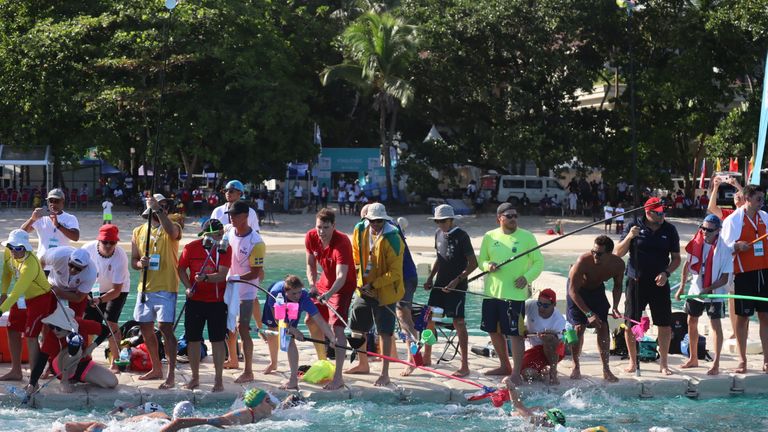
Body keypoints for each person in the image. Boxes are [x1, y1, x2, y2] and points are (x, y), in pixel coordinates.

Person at [478, 203, 543, 383]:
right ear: (500, 218)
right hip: (492, 293)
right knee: (492, 330)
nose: (513, 219)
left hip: (514, 295)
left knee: (515, 333)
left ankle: (516, 372)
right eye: (509, 216)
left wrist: (526, 277)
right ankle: (504, 365)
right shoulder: (489, 236)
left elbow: (538, 262)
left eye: (515, 216)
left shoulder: (527, 237)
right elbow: (481, 260)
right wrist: (487, 266)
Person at [615, 197, 680, 375]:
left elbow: (676, 259)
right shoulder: (633, 225)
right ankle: (632, 361)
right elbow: (618, 253)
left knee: (664, 324)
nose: (662, 215)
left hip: (660, 282)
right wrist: (629, 237)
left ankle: (664, 363)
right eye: (658, 212)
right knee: (630, 323)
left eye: (663, 212)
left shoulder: (670, 229)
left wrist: (667, 273)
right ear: (648, 212)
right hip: (636, 282)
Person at [346, 203, 404, 386]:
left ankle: (385, 373)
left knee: (384, 332)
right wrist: (358, 280)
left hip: (385, 292)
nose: (376, 224)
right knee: (356, 327)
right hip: (363, 289)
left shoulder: (394, 239)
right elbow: (355, 255)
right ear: (367, 219)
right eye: (372, 221)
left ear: (384, 220)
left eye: (379, 221)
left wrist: (374, 284)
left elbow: (395, 273)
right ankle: (363, 364)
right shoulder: (360, 229)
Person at [131, 193, 182, 388]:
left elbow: (172, 232)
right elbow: (133, 261)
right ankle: (156, 367)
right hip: (145, 288)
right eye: (160, 206)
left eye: (165, 206)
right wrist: (139, 263)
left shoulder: (173, 227)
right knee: (145, 328)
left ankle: (171, 374)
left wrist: (158, 209)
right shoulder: (138, 231)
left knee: (165, 329)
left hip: (167, 287)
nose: (164, 209)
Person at [304, 208, 356, 390]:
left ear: (334, 226)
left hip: (342, 287)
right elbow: (310, 264)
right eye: (319, 227)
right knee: (310, 320)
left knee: (337, 329)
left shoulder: (342, 242)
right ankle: (323, 362)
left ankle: (338, 377)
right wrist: (312, 285)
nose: (321, 232)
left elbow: (342, 276)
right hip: (323, 283)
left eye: (326, 228)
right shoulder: (311, 237)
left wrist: (328, 294)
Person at [423, 204, 478, 377]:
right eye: (437, 221)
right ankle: (427, 356)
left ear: (451, 219)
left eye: (443, 221)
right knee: (429, 318)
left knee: (458, 322)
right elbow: (439, 258)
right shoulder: (438, 234)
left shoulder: (462, 236)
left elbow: (473, 263)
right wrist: (430, 277)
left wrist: (457, 280)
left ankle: (465, 365)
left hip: (457, 286)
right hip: (440, 285)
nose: (440, 224)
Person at [178, 218, 232, 392]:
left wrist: (206, 278)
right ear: (206, 235)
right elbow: (180, 269)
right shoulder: (190, 247)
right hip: (195, 300)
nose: (221, 237)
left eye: (222, 233)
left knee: (217, 340)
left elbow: (223, 275)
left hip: (217, 302)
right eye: (217, 235)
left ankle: (218, 379)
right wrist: (187, 287)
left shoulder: (225, 248)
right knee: (193, 340)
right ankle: (194, 378)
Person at [720, 184, 768, 373]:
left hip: (764, 272)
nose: (761, 203)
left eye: (763, 199)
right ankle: (742, 359)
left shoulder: (765, 218)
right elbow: (723, 247)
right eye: (758, 199)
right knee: (743, 317)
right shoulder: (733, 220)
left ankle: (766, 359)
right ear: (747, 200)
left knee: (765, 316)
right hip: (744, 273)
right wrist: (737, 246)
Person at [674, 214, 730, 375]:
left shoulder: (724, 249)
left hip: (715, 293)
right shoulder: (697, 242)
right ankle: (693, 358)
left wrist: (709, 289)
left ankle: (716, 363)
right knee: (691, 321)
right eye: (703, 228)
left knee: (715, 324)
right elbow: (686, 265)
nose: (705, 232)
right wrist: (681, 288)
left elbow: (725, 278)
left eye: (709, 230)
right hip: (696, 290)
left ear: (718, 230)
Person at [262, 275, 336, 390]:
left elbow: (319, 320)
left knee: (290, 340)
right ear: (286, 291)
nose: (297, 296)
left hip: (293, 309)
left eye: (299, 292)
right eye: (293, 294)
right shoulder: (275, 293)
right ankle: (273, 362)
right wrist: (293, 330)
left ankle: (293, 379)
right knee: (273, 329)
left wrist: (331, 337)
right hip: (277, 307)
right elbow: (278, 320)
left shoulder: (304, 297)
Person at [566, 235, 624, 382]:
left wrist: (616, 306)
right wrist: (589, 313)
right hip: (578, 291)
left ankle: (606, 369)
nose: (594, 255)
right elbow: (572, 291)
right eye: (593, 251)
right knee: (579, 327)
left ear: (609, 254)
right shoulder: (583, 261)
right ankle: (576, 365)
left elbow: (618, 286)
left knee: (603, 327)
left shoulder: (618, 265)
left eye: (599, 253)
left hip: (597, 290)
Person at [0, 230, 56, 382]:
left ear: (25, 248)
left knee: (31, 336)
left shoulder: (30, 265)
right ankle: (16, 371)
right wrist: (3, 293)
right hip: (22, 298)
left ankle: (34, 380)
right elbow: (7, 272)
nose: (14, 251)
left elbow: (17, 291)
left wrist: (1, 310)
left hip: (40, 298)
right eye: (11, 247)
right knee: (12, 329)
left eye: (18, 248)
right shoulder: (8, 252)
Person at [25, 304, 117, 396]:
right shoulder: (52, 335)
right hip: (60, 366)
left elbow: (106, 330)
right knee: (75, 347)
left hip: (82, 364)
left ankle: (79, 378)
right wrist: (32, 383)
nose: (55, 331)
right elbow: (41, 361)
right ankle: (64, 381)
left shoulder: (82, 324)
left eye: (58, 328)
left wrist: (92, 347)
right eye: (52, 327)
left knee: (112, 382)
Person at [224, 200, 265, 381]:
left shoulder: (257, 242)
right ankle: (233, 359)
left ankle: (248, 371)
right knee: (229, 326)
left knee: (243, 328)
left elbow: (256, 272)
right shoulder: (228, 232)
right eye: (230, 215)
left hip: (247, 288)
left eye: (235, 215)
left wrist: (237, 278)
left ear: (246, 217)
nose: (231, 218)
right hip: (230, 285)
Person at [83, 225, 130, 372]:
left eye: (112, 242)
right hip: (94, 288)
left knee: (111, 322)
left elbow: (116, 290)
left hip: (118, 289)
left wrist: (100, 300)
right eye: (105, 242)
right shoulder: (87, 250)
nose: (109, 245)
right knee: (89, 324)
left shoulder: (120, 257)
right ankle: (86, 358)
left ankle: (115, 361)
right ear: (99, 240)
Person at [707, 175, 745, 339]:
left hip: (744, 260)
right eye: (736, 195)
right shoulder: (729, 215)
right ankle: (736, 331)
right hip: (730, 259)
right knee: (731, 296)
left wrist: (738, 185)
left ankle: (739, 330)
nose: (737, 196)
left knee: (739, 297)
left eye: (740, 195)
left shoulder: (750, 215)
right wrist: (715, 187)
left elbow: (748, 198)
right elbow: (711, 208)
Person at [158, 388, 301, 432]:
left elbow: (283, 406)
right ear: (257, 404)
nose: (272, 403)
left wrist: (291, 400)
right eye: (267, 400)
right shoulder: (241, 417)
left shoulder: (265, 411)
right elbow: (178, 422)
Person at [20, 188, 80, 273]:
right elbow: (21, 233)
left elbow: (75, 237)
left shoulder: (70, 218)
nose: (52, 204)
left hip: (61, 265)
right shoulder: (41, 218)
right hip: (42, 265)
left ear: (62, 202)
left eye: (56, 201)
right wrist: (32, 219)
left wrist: (58, 225)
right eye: (50, 201)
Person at [521, 289, 566, 384]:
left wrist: (551, 337)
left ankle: (553, 372)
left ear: (554, 305)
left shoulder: (559, 320)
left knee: (550, 340)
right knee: (527, 373)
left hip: (555, 352)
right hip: (535, 350)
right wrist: (522, 328)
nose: (541, 308)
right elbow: (515, 314)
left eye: (545, 306)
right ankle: (540, 373)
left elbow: (558, 345)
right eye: (539, 304)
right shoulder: (530, 305)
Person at [40, 247, 97, 319]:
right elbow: (42, 261)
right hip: (53, 285)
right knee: (48, 318)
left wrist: (59, 292)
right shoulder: (57, 255)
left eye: (78, 268)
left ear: (85, 267)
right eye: (71, 265)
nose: (73, 270)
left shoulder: (91, 273)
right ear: (69, 259)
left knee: (76, 321)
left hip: (74, 292)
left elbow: (79, 297)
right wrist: (43, 282)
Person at [502, 378, 567, 428]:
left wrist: (512, 388)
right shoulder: (538, 420)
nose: (542, 417)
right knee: (538, 409)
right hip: (510, 417)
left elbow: (519, 406)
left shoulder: (539, 421)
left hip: (513, 416)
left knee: (538, 409)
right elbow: (519, 406)